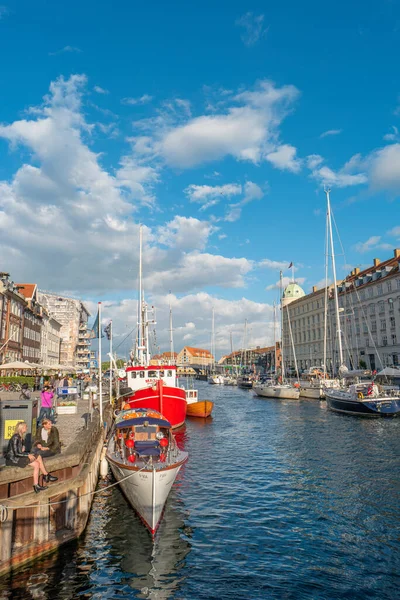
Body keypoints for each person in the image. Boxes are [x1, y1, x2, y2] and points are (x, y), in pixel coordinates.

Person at [5, 421, 58, 493]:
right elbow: (16, 453)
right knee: (36, 463)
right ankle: (44, 478)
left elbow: (20, 451)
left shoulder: (21, 437)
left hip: (19, 456)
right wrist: (28, 455)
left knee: (38, 458)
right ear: (21, 428)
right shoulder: (15, 437)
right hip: (13, 459)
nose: (27, 428)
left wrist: (25, 451)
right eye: (25, 427)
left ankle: (38, 483)